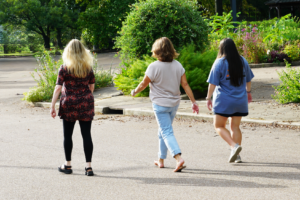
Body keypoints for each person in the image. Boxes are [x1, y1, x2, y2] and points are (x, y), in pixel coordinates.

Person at [131, 37, 199, 172]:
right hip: (174, 104)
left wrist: (134, 91)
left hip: (160, 105)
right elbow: (185, 85)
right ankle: (161, 160)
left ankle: (178, 158)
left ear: (156, 51)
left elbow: (143, 84)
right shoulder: (178, 65)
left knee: (166, 131)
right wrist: (193, 102)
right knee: (163, 131)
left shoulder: (153, 66)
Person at [50, 39, 95, 176]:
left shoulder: (64, 68)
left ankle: (68, 165)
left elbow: (58, 88)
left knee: (67, 135)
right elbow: (92, 86)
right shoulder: (88, 68)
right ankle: (88, 167)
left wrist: (52, 106)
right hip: (86, 103)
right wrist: (85, 97)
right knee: (86, 135)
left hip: (68, 103)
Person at [206, 38, 254, 163]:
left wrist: (208, 98)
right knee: (235, 127)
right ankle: (236, 156)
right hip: (240, 100)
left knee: (218, 126)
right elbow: (248, 79)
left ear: (222, 49)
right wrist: (248, 92)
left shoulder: (219, 62)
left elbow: (212, 83)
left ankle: (234, 146)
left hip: (224, 101)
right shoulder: (243, 60)